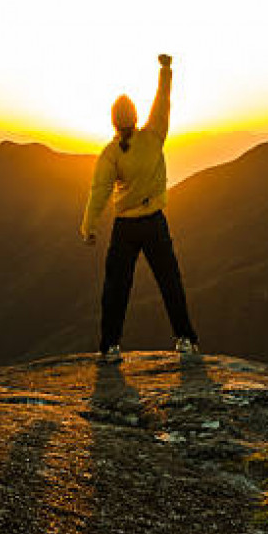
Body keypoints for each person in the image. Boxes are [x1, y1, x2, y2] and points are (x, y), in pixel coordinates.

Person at [80, 54, 199, 364]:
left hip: (126, 228)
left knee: (116, 287)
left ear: (113, 121)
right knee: (169, 280)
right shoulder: (154, 135)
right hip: (154, 224)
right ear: (134, 116)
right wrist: (165, 70)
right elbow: (163, 100)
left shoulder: (110, 154)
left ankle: (109, 347)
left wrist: (89, 227)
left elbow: (99, 192)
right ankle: (185, 339)